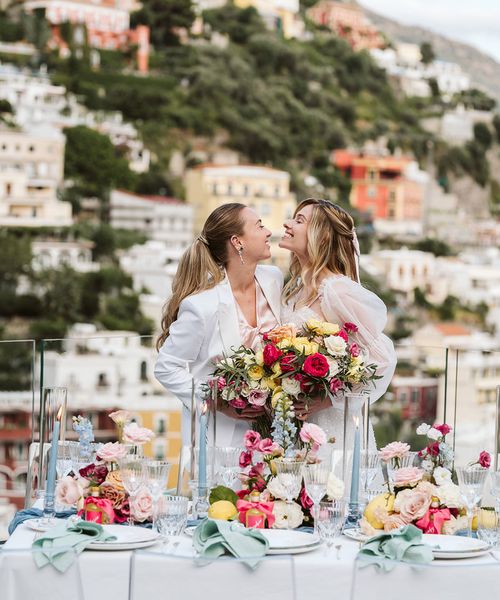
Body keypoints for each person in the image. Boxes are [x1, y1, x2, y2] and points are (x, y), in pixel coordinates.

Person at [155, 203, 283, 447]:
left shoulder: (273, 279)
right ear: (238, 241)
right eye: (259, 226)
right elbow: (166, 367)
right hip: (220, 437)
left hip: (273, 434)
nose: (268, 232)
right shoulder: (202, 306)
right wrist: (217, 402)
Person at [279, 198, 397, 448]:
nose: (287, 224)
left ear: (321, 237)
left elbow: (383, 360)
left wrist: (329, 398)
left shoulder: (337, 290)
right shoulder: (295, 291)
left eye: (299, 220)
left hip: (333, 428)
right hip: (295, 424)